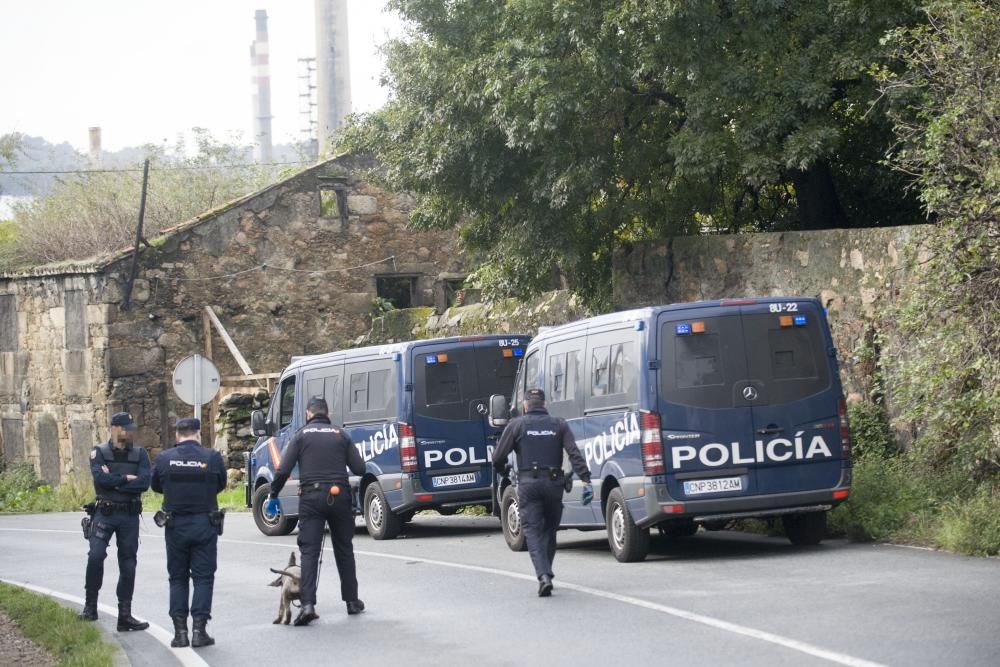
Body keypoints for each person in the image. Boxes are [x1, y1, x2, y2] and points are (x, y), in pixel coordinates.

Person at [267, 396, 366, 626]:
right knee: (344, 549)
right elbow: (360, 468)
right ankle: (352, 602)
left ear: (307, 414)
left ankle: (308, 605)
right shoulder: (341, 435)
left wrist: (273, 493)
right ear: (327, 413)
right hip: (340, 495)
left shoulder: (301, 435)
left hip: (311, 498)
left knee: (310, 552)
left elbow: (283, 470)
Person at [492, 388, 593, 597]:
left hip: (529, 486)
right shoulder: (559, 425)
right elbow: (574, 453)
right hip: (554, 484)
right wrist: (586, 480)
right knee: (549, 530)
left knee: (532, 531)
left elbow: (497, 457)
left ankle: (543, 575)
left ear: (525, 406)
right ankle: (546, 570)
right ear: (545, 405)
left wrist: (504, 470)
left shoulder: (517, 425)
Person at [151, 418, 227, 648]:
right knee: (203, 578)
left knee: (178, 578)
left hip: (175, 526)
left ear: (177, 435)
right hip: (204, 524)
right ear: (198, 434)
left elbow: (156, 486)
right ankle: (199, 631)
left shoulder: (164, 458)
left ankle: (180, 633)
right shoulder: (211, 457)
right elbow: (221, 483)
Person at [80, 412, 151, 631]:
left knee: (128, 564)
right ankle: (90, 607)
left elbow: (144, 483)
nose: (130, 431)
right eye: (125, 428)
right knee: (96, 556)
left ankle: (125, 616)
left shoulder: (140, 454)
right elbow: (100, 479)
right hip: (105, 513)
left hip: (129, 515)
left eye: (131, 427)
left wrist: (115, 482)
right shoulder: (99, 452)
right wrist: (124, 479)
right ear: (113, 428)